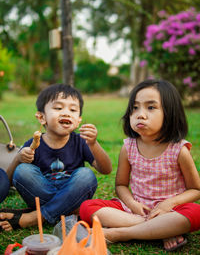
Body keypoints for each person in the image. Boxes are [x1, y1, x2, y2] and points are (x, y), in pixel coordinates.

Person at [79, 79, 200, 252]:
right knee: (87, 208)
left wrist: (168, 205)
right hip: (134, 210)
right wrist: (132, 204)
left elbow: (196, 189)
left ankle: (120, 234)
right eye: (135, 108)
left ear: (170, 113)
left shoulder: (179, 150)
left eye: (151, 107)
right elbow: (121, 185)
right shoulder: (128, 147)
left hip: (171, 210)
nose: (140, 114)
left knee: (197, 213)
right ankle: (161, 230)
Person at [0, 83, 112, 231]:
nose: (66, 113)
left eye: (72, 110)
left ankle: (34, 217)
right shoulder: (34, 143)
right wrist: (18, 159)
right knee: (22, 170)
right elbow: (7, 182)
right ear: (41, 117)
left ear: (78, 120)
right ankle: (67, 211)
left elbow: (106, 169)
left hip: (73, 192)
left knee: (86, 175)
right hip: (45, 194)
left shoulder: (81, 142)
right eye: (58, 108)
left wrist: (94, 144)